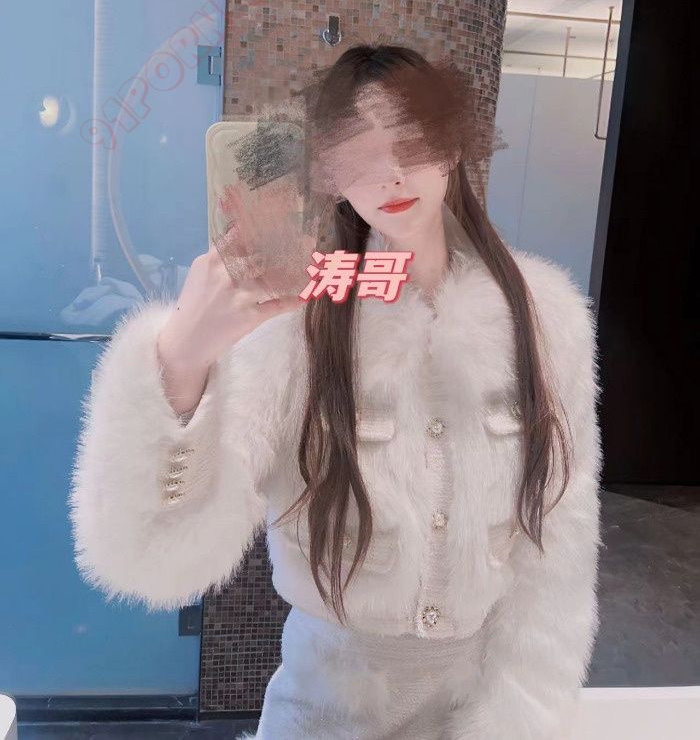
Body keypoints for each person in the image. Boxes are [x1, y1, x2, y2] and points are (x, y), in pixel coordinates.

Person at [69, 44, 603, 740]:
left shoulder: (544, 317)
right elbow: (155, 554)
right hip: (324, 713)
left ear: (451, 146)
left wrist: (523, 717)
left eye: (411, 140)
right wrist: (181, 359)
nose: (390, 173)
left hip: (475, 713)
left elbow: (559, 545)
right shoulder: (295, 322)